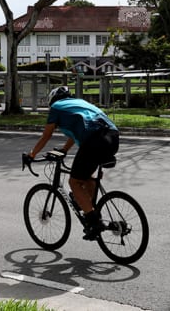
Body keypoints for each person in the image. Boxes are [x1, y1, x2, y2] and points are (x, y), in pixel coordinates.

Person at [25, 85, 119, 240]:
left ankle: (94, 222)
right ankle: (93, 210)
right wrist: (64, 149)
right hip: (113, 137)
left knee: (74, 181)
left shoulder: (56, 107)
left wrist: (32, 155)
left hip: (94, 140)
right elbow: (75, 134)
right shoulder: (79, 103)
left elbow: (46, 135)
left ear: (52, 100)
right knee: (85, 177)